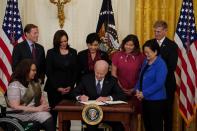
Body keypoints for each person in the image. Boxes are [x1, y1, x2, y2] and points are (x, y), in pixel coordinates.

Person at [73, 60, 126, 131]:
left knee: (119, 128)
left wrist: (108, 98)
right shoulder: (86, 78)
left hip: (108, 114)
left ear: (107, 72)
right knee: (91, 128)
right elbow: (74, 92)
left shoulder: (112, 80)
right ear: (94, 69)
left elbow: (122, 95)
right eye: (97, 73)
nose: (99, 76)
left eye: (102, 74)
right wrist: (80, 97)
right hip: (91, 113)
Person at [146, 20, 178, 131]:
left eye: (159, 32)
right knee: (152, 115)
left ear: (165, 31)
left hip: (166, 85)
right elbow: (145, 64)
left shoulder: (172, 45)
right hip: (151, 86)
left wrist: (158, 80)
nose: (156, 34)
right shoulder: (149, 44)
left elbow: (171, 67)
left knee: (167, 114)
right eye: (155, 31)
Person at [6, 59, 55, 131]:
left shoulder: (35, 83)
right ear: (25, 70)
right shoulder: (15, 85)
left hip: (31, 112)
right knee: (46, 117)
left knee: (47, 116)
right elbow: (15, 106)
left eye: (35, 70)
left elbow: (42, 98)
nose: (35, 72)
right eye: (33, 70)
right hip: (18, 114)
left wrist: (44, 105)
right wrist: (37, 109)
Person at [44, 30, 77, 130]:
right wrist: (58, 87)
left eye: (65, 41)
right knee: (53, 114)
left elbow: (75, 71)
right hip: (54, 89)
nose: (64, 43)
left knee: (67, 116)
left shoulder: (73, 52)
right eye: (61, 41)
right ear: (57, 41)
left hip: (68, 89)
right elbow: (48, 71)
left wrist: (70, 86)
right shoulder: (51, 52)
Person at [135, 41, 167, 131]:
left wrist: (144, 93)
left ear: (155, 51)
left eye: (148, 52)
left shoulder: (161, 64)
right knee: (147, 124)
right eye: (145, 52)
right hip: (145, 99)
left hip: (156, 100)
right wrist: (137, 89)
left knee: (156, 126)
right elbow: (141, 77)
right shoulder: (145, 61)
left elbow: (159, 83)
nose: (146, 55)